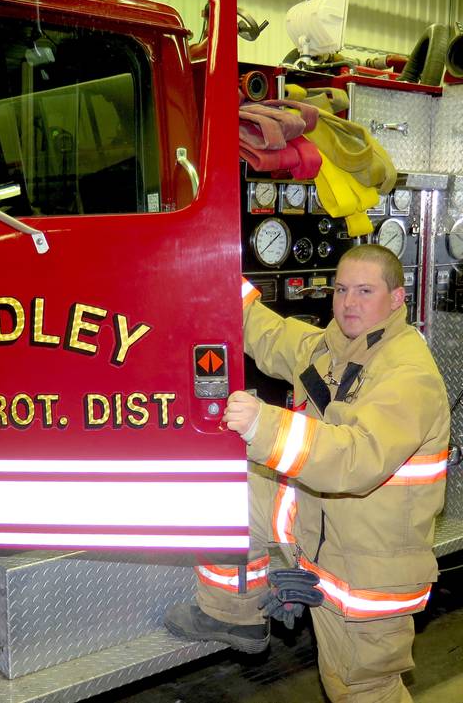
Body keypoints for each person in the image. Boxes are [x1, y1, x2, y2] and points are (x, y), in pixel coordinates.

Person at [165, 243, 450, 702]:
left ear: (397, 299)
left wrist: (265, 425)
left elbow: (355, 460)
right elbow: (271, 334)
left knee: (358, 688)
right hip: (322, 518)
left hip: (367, 565)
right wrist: (214, 269)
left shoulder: (407, 373)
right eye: (341, 289)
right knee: (227, 494)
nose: (348, 303)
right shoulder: (334, 346)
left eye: (364, 291)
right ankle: (232, 612)